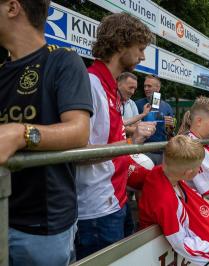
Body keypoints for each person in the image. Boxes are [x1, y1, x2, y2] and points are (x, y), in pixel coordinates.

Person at [0, 0, 93, 265]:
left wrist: (20, 134)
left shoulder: (62, 60)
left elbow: (79, 131)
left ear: (12, 8)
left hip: (43, 226)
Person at [75, 13, 155, 259]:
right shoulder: (91, 83)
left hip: (114, 201)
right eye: (140, 48)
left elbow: (111, 145)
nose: (142, 56)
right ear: (121, 44)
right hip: (96, 209)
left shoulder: (109, 86)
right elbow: (79, 153)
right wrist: (133, 141)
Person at [139, 136, 209, 265]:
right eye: (199, 167)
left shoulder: (164, 172)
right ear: (188, 173)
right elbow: (180, 243)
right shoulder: (165, 200)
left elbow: (194, 197)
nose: (200, 170)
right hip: (154, 249)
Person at [135, 75, 175, 164]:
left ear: (158, 88)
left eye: (149, 86)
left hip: (162, 152)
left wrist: (171, 126)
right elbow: (129, 130)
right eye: (145, 86)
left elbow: (170, 133)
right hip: (142, 152)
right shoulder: (137, 104)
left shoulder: (167, 107)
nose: (146, 88)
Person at [117, 72, 153, 139]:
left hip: (126, 145)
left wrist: (143, 115)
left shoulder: (132, 103)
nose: (132, 92)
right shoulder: (108, 100)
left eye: (134, 89)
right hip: (109, 147)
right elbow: (117, 126)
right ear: (119, 84)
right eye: (130, 87)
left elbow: (136, 126)